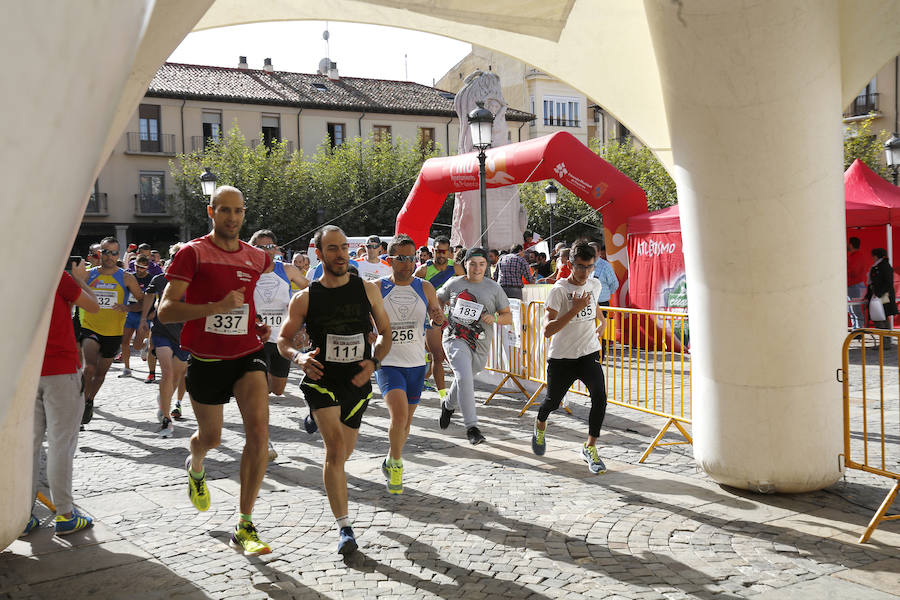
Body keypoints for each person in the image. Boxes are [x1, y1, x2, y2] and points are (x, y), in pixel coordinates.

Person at [158, 185, 275, 556]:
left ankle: (244, 523)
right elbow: (166, 310)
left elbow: (250, 298)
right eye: (224, 210)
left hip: (248, 354)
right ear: (212, 213)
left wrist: (256, 324)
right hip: (207, 360)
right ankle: (195, 463)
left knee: (258, 434)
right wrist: (215, 307)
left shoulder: (257, 258)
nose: (232, 217)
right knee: (211, 438)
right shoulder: (193, 253)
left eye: (238, 211)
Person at [277, 225, 391, 555]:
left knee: (344, 454)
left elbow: (385, 332)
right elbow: (283, 340)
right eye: (332, 249)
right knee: (335, 449)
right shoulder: (305, 298)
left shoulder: (367, 290)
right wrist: (298, 358)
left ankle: (316, 419)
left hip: (357, 380)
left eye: (343, 248)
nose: (340, 254)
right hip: (321, 378)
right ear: (319, 252)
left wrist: (375, 362)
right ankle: (345, 527)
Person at [22, 263, 99, 537]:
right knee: (61, 444)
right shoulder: (55, 275)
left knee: (27, 447)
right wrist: (79, 281)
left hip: (24, 372)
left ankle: (21, 516)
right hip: (60, 369)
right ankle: (65, 513)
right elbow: (93, 306)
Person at [530, 241, 609, 474]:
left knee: (600, 397)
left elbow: (594, 307)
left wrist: (602, 322)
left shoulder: (595, 284)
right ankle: (540, 426)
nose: (585, 272)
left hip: (588, 352)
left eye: (590, 267)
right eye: (581, 267)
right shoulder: (559, 290)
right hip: (562, 357)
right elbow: (546, 330)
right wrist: (574, 309)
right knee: (552, 403)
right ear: (570, 264)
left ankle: (590, 447)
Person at [375, 234, 443, 494]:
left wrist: (437, 320)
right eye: (401, 258)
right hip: (388, 361)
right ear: (389, 260)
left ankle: (390, 457)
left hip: (415, 363)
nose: (407, 263)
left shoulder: (425, 287)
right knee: (399, 416)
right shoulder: (377, 287)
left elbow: (436, 322)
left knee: (406, 424)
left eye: (411, 258)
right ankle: (397, 465)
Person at [437, 247, 512, 444]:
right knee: (464, 377)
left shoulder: (494, 288)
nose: (477, 268)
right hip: (454, 337)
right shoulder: (455, 283)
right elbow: (437, 298)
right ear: (465, 264)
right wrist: (438, 315)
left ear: (487, 266)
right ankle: (472, 427)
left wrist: (494, 317)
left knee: (466, 377)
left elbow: (508, 316)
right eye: (472, 264)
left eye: (481, 264)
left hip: (480, 343)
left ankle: (448, 405)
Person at [80, 236, 144, 427]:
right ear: (100, 253)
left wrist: (129, 309)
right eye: (105, 251)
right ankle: (81, 403)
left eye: (114, 252)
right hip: (89, 327)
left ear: (118, 254)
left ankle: (90, 401)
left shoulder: (126, 277)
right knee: (89, 367)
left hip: (114, 332)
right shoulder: (88, 274)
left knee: (100, 374)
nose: (109, 256)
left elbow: (142, 301)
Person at [250, 229, 308, 396]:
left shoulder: (287, 270)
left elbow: (310, 290)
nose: (264, 250)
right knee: (259, 383)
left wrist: (301, 318)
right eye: (259, 247)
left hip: (282, 338)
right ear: (253, 248)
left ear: (275, 248)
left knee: (277, 389)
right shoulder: (249, 272)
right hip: (257, 338)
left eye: (269, 246)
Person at [140, 243, 188, 438]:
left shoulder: (196, 281)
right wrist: (143, 320)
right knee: (167, 373)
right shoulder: (160, 279)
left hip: (184, 335)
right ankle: (166, 418)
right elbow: (149, 297)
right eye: (176, 256)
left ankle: (165, 400)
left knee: (176, 376)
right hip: (162, 331)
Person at [414, 236, 465, 401]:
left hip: (453, 318)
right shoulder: (423, 270)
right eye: (437, 251)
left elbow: (466, 290)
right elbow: (411, 290)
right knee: (438, 356)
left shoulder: (456, 268)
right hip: (432, 319)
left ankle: (459, 389)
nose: (440, 255)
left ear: (449, 252)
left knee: (456, 356)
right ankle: (443, 395)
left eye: (444, 251)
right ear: (433, 251)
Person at [119, 255, 154, 379]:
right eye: (137, 267)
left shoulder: (151, 279)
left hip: (143, 315)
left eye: (142, 268)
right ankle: (127, 369)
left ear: (147, 268)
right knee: (124, 341)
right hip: (130, 313)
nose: (139, 270)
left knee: (136, 346)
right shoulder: (130, 277)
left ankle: (144, 345)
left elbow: (148, 301)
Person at [867, 247, 898, 349]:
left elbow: (888, 283)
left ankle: (885, 343)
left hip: (883, 296)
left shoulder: (883, 266)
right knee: (883, 317)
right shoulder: (881, 265)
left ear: (876, 256)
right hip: (881, 295)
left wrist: (878, 293)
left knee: (880, 318)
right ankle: (886, 342)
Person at [847, 237, 867, 329]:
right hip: (855, 286)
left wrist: (844, 269)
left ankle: (858, 330)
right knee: (852, 309)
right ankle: (857, 329)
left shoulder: (856, 256)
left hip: (855, 286)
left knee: (855, 309)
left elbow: (854, 271)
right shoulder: (856, 255)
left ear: (851, 244)